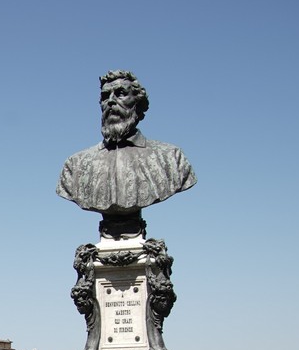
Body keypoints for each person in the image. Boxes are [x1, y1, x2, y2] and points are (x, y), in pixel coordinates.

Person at [57, 70, 196, 239]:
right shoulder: (76, 165)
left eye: (120, 94)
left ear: (137, 103)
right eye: (105, 96)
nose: (111, 101)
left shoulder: (170, 157)